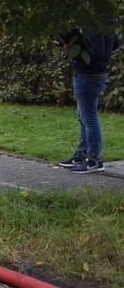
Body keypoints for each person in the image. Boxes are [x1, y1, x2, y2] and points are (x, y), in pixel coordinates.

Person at [57, 15, 120, 173]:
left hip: (87, 76)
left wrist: (72, 49)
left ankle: (93, 160)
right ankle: (83, 154)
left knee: (89, 119)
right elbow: (116, 44)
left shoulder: (93, 23)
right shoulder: (108, 21)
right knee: (84, 117)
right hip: (96, 74)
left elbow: (95, 53)